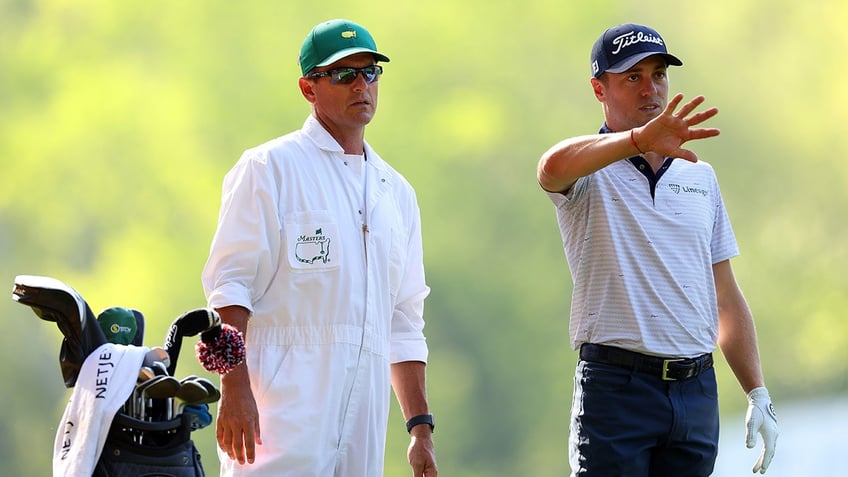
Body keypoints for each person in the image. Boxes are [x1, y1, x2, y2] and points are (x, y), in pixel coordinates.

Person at [536, 23, 778, 476]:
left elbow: (725, 296)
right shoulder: (587, 171)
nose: (651, 89)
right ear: (598, 88)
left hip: (696, 392)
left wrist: (756, 392)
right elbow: (551, 167)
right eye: (633, 77)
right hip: (616, 390)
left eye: (659, 74)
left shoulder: (700, 176)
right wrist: (638, 141)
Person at [201, 18, 438, 477]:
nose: (361, 85)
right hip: (281, 411)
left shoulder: (397, 192)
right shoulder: (270, 168)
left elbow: (404, 319)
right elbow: (229, 289)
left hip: (364, 419)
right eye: (343, 74)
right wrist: (234, 389)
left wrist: (420, 429)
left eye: (370, 72)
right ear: (309, 88)